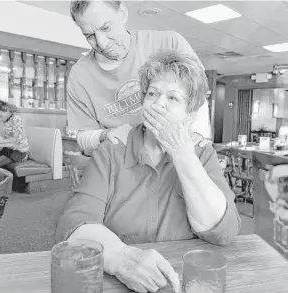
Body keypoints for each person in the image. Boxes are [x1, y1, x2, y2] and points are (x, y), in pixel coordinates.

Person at [56, 50, 241, 293]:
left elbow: (224, 231)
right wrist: (121, 258)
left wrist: (182, 154)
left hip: (182, 280)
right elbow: (73, 223)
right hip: (117, 282)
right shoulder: (111, 151)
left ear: (191, 114)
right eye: (152, 93)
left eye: (173, 98)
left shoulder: (201, 154)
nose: (158, 103)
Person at [67, 0, 212, 153]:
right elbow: (83, 136)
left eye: (106, 28)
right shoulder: (79, 75)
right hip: (123, 163)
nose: (101, 43)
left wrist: (199, 133)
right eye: (89, 36)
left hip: (173, 156)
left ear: (122, 13)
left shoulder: (170, 43)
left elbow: (199, 95)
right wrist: (105, 135)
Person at [0, 100, 29, 169]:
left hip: (19, 152)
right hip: (10, 150)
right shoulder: (7, 120)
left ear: (6, 111)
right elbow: (8, 137)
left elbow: (13, 139)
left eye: (0, 116)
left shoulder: (16, 119)